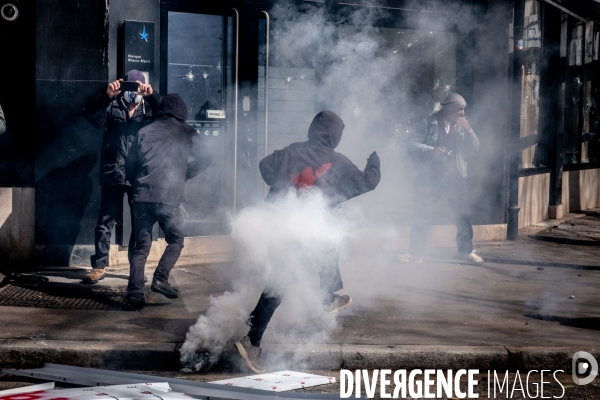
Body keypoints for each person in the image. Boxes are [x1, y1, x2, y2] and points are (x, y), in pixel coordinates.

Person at [234, 110, 381, 373]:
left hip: (281, 222)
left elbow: (265, 166)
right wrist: (374, 163)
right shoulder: (338, 160)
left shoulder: (293, 150)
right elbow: (368, 182)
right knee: (283, 279)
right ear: (335, 135)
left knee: (323, 245)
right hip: (301, 227)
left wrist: (283, 185)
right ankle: (251, 339)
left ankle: (324, 298)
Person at [123, 93, 212, 311]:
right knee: (176, 240)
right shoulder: (187, 131)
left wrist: (139, 183)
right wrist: (185, 174)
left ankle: (134, 296)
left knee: (141, 248)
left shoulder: (144, 131)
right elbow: (207, 157)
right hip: (168, 197)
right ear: (182, 112)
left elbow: (129, 165)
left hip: (142, 196)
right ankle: (160, 277)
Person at [82, 70, 162, 284]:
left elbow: (167, 113)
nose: (132, 91)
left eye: (137, 87)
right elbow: (92, 117)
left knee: (139, 224)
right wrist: (106, 95)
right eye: (129, 86)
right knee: (105, 222)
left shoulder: (149, 110)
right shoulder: (112, 105)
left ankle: (135, 270)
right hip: (113, 174)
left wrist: (152, 96)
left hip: (138, 176)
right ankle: (99, 266)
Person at [399, 93, 483, 265]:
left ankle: (465, 251)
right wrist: (433, 150)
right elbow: (410, 144)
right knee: (422, 214)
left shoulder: (462, 126)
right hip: (431, 178)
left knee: (463, 216)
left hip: (456, 177)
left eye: (463, 109)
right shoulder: (428, 123)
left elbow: (475, 147)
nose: (462, 113)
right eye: (460, 109)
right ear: (450, 109)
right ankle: (415, 254)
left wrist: (469, 130)